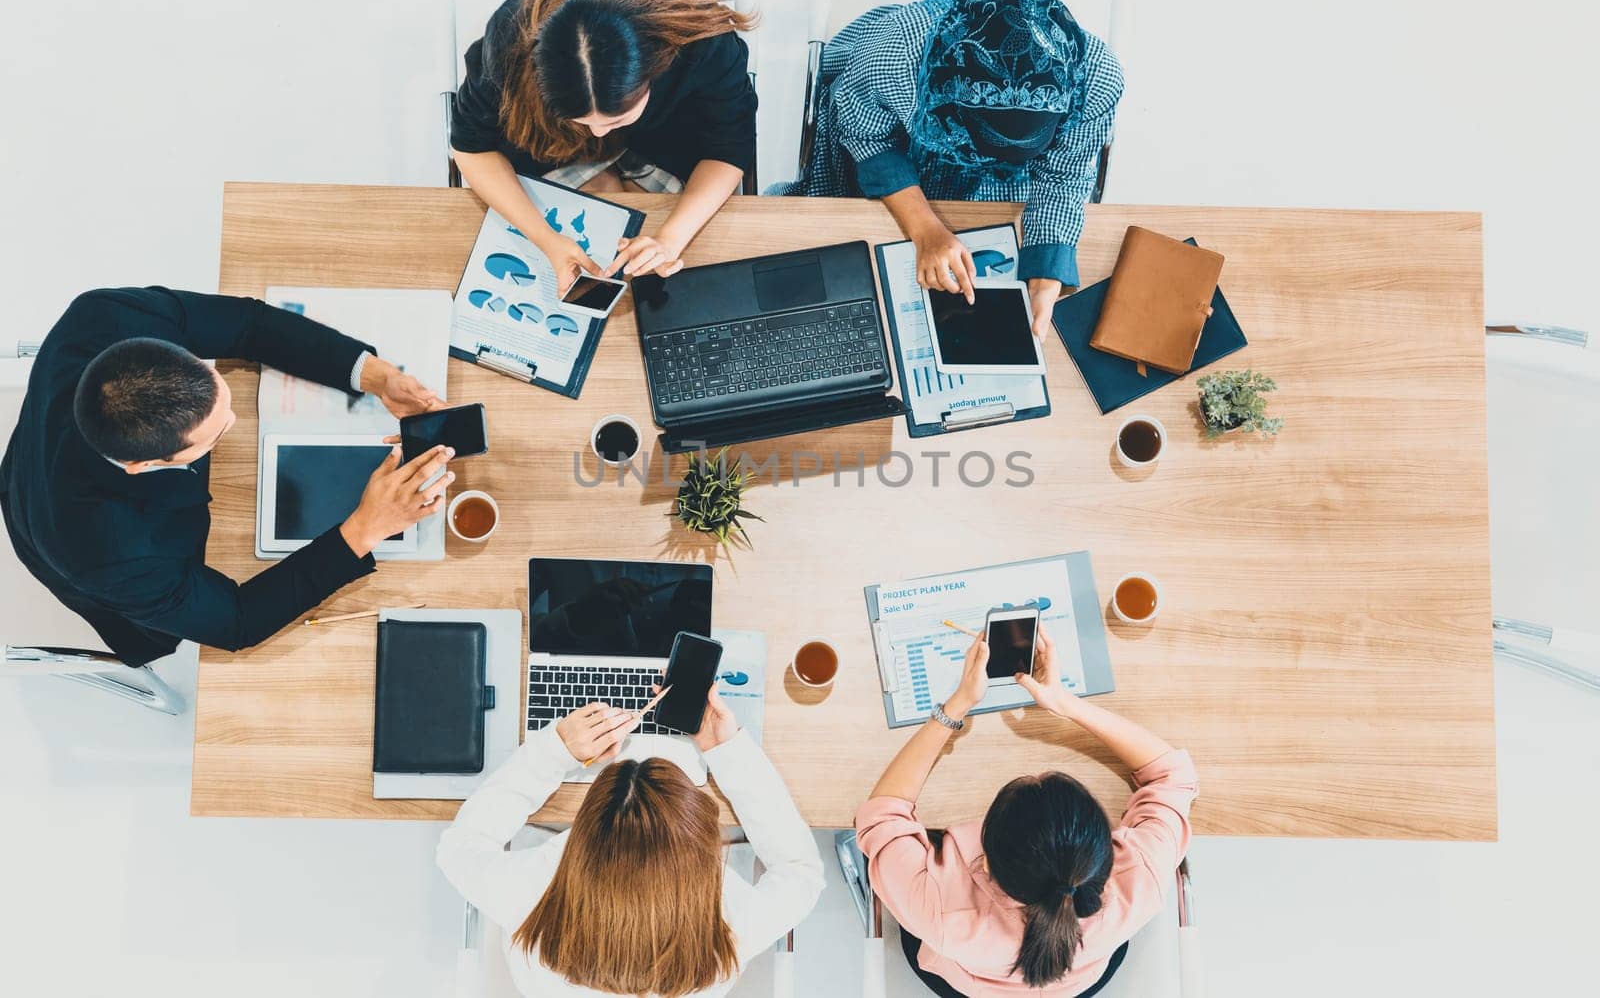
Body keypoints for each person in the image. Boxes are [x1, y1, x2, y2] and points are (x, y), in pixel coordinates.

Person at [0, 286, 456, 667]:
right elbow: (238, 621)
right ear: (144, 465)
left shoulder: (104, 314)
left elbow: (246, 325)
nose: (235, 422)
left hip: (55, 434)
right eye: (217, 432)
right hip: (51, 526)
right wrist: (365, 528)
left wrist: (373, 374)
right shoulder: (109, 556)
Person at [775, 0, 1124, 338]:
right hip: (901, 145)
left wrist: (1045, 277)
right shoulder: (897, 56)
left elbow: (1062, 175)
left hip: (1003, 187)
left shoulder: (1097, 77)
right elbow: (866, 134)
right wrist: (925, 229)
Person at [855, 626, 1197, 997]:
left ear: (984, 863)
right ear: (1104, 849)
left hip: (963, 975)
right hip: (1078, 977)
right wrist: (1066, 703)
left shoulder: (938, 908)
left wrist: (956, 705)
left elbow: (881, 817)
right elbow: (1171, 775)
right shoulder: (1139, 879)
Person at [437, 689, 823, 997]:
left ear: (586, 831)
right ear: (703, 841)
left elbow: (459, 848)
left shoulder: (529, 893)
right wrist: (729, 752)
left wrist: (553, 753)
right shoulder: (729, 926)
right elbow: (801, 873)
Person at [450, 0, 757, 291]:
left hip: (670, 151)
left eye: (615, 119)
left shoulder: (703, 45)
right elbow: (469, 147)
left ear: (655, 69)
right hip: (545, 155)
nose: (597, 133)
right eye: (582, 121)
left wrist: (670, 240)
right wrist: (547, 240)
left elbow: (729, 148)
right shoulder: (510, 42)